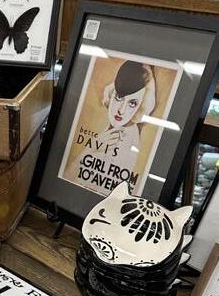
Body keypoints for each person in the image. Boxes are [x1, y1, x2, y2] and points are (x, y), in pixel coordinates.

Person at [65, 60, 156, 196]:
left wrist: (93, 147)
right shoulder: (109, 130)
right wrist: (94, 146)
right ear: (111, 93)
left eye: (132, 103)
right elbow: (67, 179)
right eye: (119, 97)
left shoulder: (127, 136)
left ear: (140, 106)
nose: (121, 110)